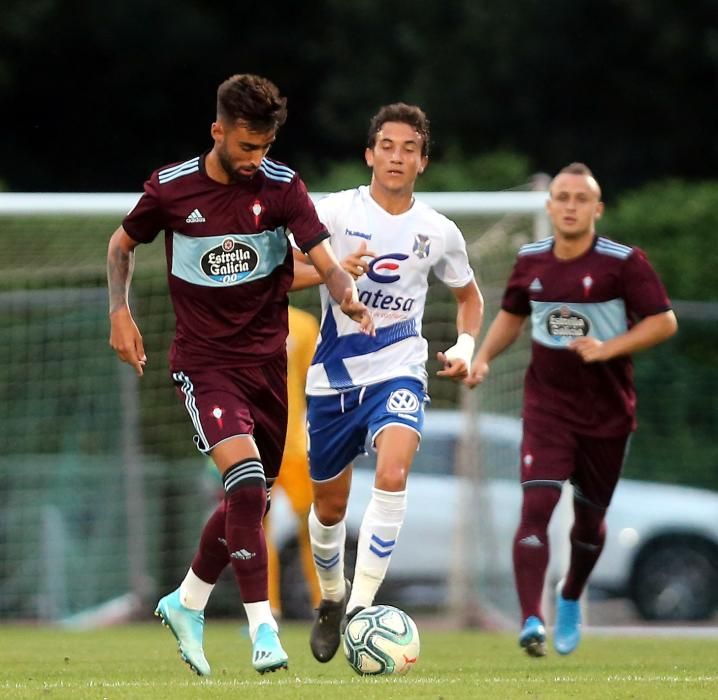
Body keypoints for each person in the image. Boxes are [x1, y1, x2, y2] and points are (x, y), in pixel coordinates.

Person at [107, 73, 373, 677]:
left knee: (244, 501)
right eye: (247, 146)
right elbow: (121, 245)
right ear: (218, 131)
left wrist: (347, 295)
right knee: (248, 485)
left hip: (267, 368)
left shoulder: (282, 188)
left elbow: (322, 262)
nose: (258, 159)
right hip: (205, 366)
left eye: (267, 147)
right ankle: (264, 630)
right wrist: (119, 312)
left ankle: (186, 601)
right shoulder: (171, 190)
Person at [293, 103, 484, 663]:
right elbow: (279, 274)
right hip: (332, 379)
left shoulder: (438, 231)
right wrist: (332, 271)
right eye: (387, 145)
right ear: (369, 154)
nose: (397, 156)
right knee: (329, 506)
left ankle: (361, 608)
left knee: (394, 471)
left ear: (423, 162)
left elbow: (469, 297)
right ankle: (332, 597)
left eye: (409, 149)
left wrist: (467, 345)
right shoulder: (332, 213)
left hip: (399, 368)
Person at [466, 162, 678, 657]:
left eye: (580, 199)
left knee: (588, 525)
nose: (569, 206)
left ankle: (570, 594)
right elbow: (513, 316)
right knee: (536, 506)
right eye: (562, 197)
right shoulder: (532, 260)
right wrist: (481, 359)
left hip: (607, 415)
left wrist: (608, 347)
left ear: (596, 209)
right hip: (547, 410)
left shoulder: (623, 263)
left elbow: (663, 321)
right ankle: (530, 620)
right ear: (549, 205)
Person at [265, 305, 322, 617]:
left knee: (313, 526)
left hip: (296, 447)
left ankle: (323, 603)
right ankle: (265, 609)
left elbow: (315, 384)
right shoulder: (242, 317)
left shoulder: (302, 324)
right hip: (255, 444)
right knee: (257, 529)